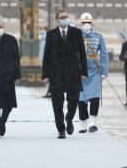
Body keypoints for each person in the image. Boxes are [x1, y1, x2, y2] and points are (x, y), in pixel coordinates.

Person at [42, 9, 88, 139]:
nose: (64, 19)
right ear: (57, 20)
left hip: (73, 72)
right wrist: (45, 74)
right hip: (56, 73)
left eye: (66, 17)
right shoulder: (51, 34)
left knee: (73, 101)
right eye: (62, 17)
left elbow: (82, 54)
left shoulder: (76, 33)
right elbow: (47, 55)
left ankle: (69, 118)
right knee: (57, 103)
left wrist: (84, 72)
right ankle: (60, 129)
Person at [78, 13, 108, 133]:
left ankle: (93, 121)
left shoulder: (98, 37)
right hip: (80, 71)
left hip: (94, 70)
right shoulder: (76, 36)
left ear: (92, 23)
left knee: (95, 97)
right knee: (81, 98)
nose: (86, 25)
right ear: (80, 24)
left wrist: (104, 71)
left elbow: (104, 55)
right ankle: (83, 122)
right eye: (84, 23)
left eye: (88, 22)